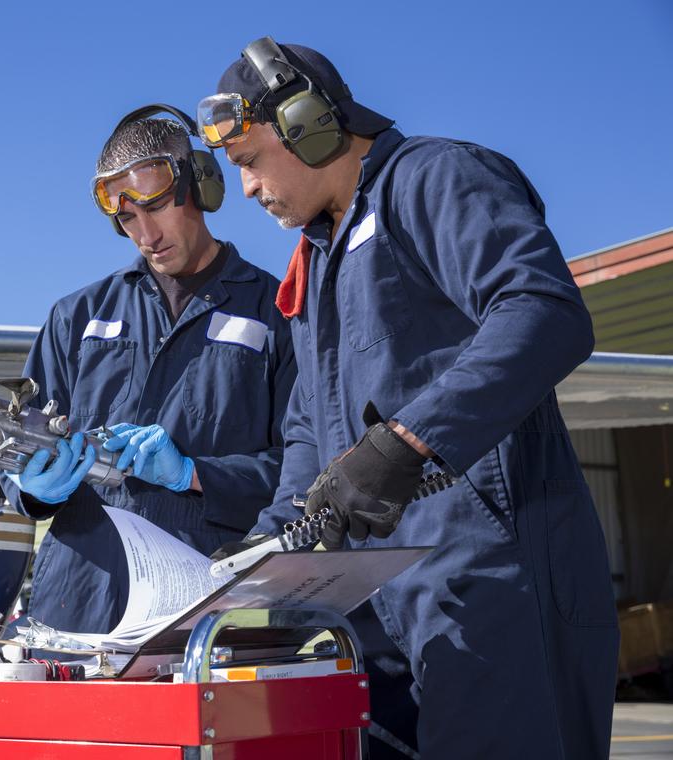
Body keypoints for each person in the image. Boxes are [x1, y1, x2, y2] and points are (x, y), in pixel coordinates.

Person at [199, 38, 618, 760]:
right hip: (384, 609)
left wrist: (407, 440)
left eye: (248, 162)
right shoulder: (316, 264)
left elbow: (543, 313)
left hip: (494, 585)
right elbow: (308, 431)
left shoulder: (435, 179)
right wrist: (268, 543)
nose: (246, 190)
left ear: (308, 125)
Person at [0, 105, 297, 634]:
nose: (146, 233)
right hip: (77, 603)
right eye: (128, 219)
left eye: (156, 207)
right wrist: (28, 486)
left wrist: (195, 474)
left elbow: (304, 467)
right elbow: (18, 446)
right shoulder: (77, 318)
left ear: (201, 186)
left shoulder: (276, 314)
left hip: (206, 604)